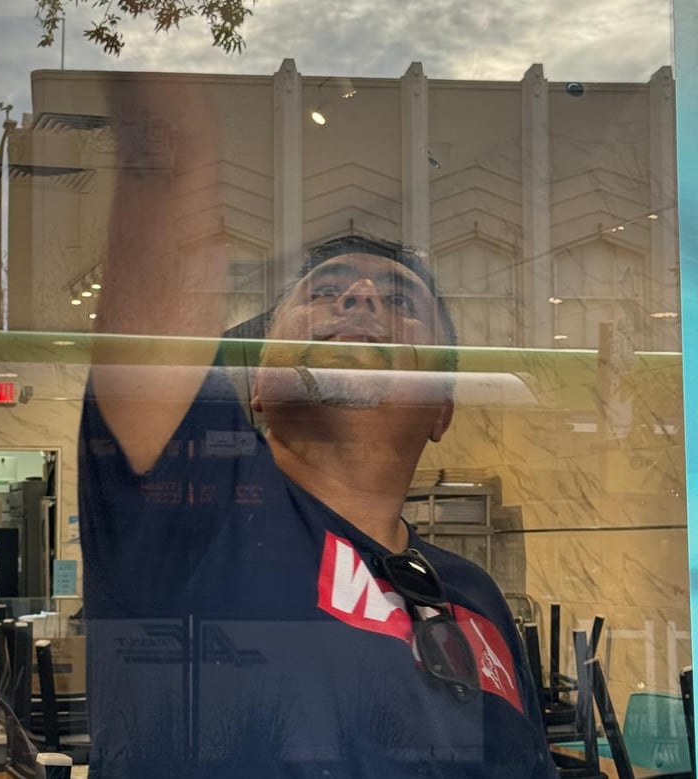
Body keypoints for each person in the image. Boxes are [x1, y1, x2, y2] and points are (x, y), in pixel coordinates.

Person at [78, 79, 557, 779]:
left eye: (400, 301)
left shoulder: (473, 597)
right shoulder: (197, 507)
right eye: (324, 291)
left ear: (442, 409)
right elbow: (169, 163)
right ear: (258, 386)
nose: (358, 296)